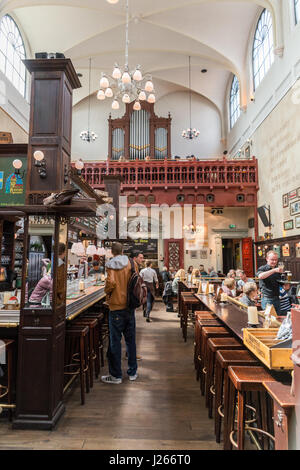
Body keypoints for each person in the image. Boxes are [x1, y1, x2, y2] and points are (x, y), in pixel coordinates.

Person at [102, 242, 138, 384]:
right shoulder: (131, 263)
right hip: (130, 306)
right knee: (131, 341)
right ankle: (132, 372)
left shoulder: (110, 265)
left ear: (112, 252)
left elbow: (110, 283)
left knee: (115, 342)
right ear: (123, 251)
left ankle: (116, 376)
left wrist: (107, 291)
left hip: (115, 307)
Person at [257, 250, 283, 314]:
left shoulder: (278, 270)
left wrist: (286, 284)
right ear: (267, 259)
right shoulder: (263, 268)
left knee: (277, 319)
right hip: (267, 299)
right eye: (272, 259)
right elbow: (260, 276)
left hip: (277, 298)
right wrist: (274, 270)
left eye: (276, 260)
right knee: (268, 320)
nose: (274, 261)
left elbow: (282, 285)